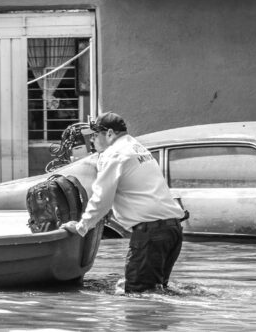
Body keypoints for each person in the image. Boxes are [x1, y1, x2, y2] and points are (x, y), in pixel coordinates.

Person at [61, 112, 186, 293]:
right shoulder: (137, 147)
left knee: (138, 295)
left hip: (151, 234)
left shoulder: (114, 154)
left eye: (95, 135)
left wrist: (81, 227)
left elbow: (101, 199)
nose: (92, 140)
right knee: (157, 291)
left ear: (109, 133)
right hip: (172, 231)